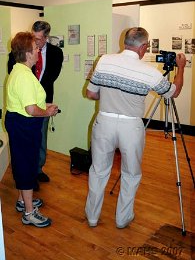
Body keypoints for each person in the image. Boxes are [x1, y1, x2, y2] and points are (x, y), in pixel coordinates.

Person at [85, 27, 186, 229]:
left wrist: (109, 96)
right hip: (131, 126)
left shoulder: (104, 60)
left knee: (98, 171)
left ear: (126, 42)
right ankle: (122, 219)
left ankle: (92, 217)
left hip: (104, 121)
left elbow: (91, 94)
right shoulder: (148, 72)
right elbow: (173, 93)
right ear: (143, 47)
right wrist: (180, 67)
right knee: (131, 173)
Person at [5, 32, 59, 227]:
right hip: (24, 125)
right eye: (36, 48)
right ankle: (29, 212)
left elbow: (28, 102)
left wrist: (46, 105)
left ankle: (22, 200)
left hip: (19, 122)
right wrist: (47, 112)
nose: (39, 51)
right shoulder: (25, 77)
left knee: (21, 163)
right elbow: (31, 109)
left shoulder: (18, 70)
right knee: (26, 166)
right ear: (28, 53)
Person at [8, 21, 63, 186]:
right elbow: (18, 77)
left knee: (40, 139)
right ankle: (28, 178)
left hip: (41, 100)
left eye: (38, 39)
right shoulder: (21, 63)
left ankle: (37, 170)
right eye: (33, 38)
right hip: (26, 107)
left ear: (46, 37)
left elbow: (52, 76)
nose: (36, 42)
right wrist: (32, 93)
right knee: (27, 147)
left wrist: (41, 100)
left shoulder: (55, 53)